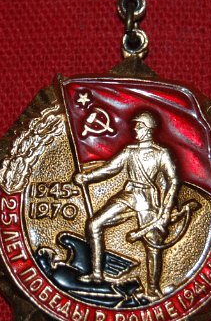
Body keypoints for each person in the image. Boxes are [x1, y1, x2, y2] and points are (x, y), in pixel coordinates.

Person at [74, 111, 179, 299]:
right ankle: (97, 273)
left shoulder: (161, 154)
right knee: (94, 224)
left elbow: (173, 181)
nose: (135, 129)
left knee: (153, 242)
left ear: (147, 130)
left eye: (139, 126)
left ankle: (153, 289)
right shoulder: (129, 151)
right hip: (129, 195)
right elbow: (110, 168)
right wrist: (87, 177)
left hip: (147, 200)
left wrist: (165, 210)